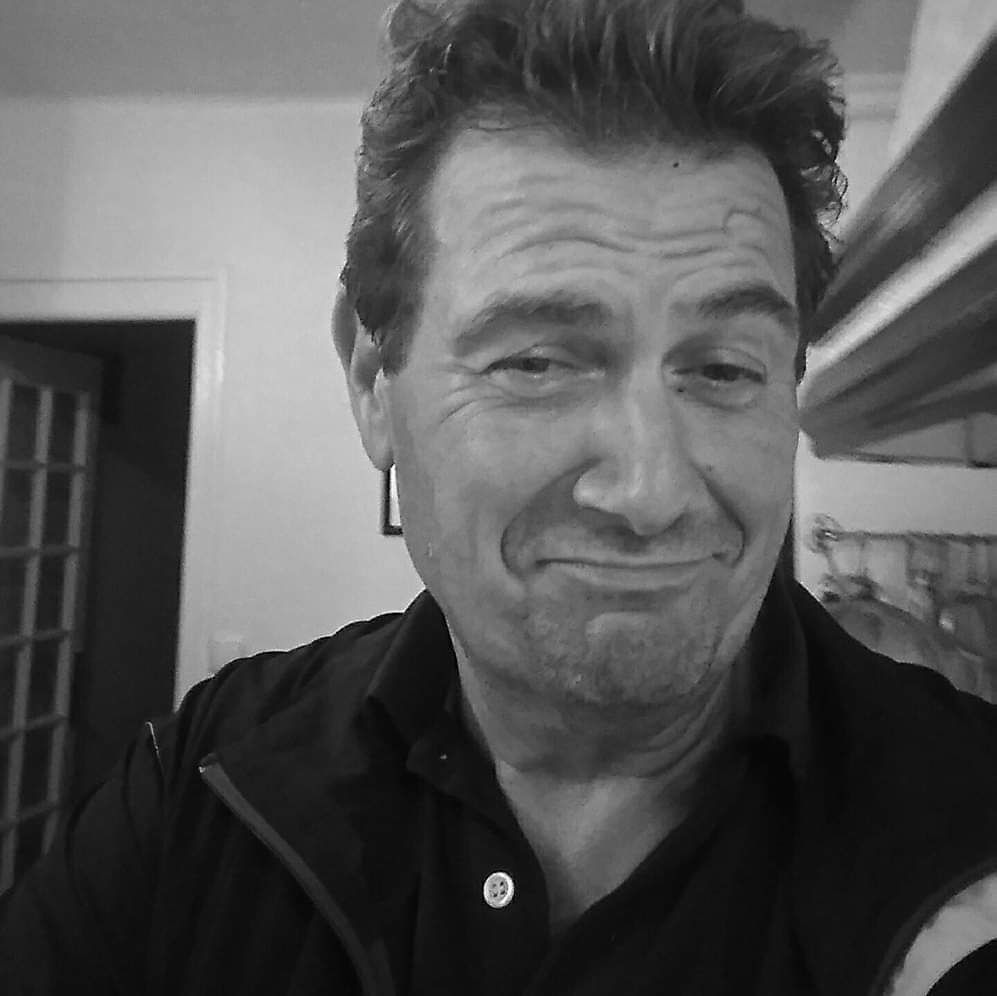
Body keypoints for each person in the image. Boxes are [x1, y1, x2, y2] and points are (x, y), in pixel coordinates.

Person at [3, 0, 997, 993]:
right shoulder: (203, 793)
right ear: (372, 382)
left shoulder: (967, 830)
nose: (650, 493)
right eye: (536, 362)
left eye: (725, 368)